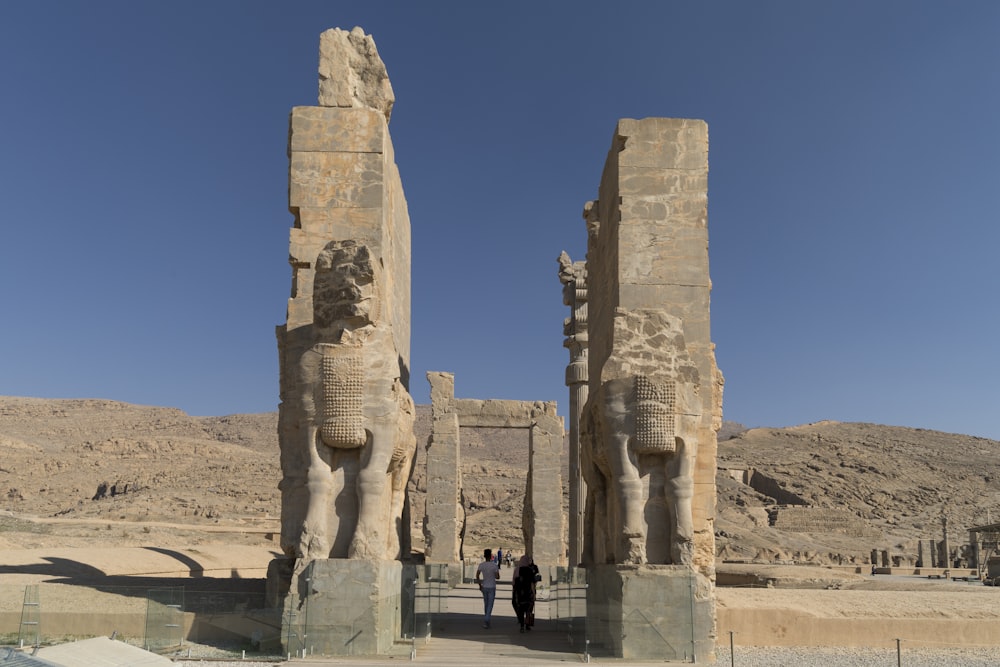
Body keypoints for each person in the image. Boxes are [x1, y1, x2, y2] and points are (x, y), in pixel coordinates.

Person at [475, 548, 500, 628]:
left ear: (485, 556)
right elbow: (497, 577)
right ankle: (486, 619)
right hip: (492, 586)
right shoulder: (494, 565)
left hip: (484, 586)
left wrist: (480, 585)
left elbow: (477, 575)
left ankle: (487, 621)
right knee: (490, 605)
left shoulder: (481, 565)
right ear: (491, 556)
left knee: (486, 604)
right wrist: (495, 574)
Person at [511, 554, 537, 632]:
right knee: (529, 609)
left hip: (519, 592)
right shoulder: (530, 570)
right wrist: (534, 594)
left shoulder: (517, 570)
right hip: (528, 592)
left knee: (521, 609)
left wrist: (513, 592)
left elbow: (514, 582)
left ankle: (522, 625)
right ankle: (528, 624)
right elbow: (532, 583)